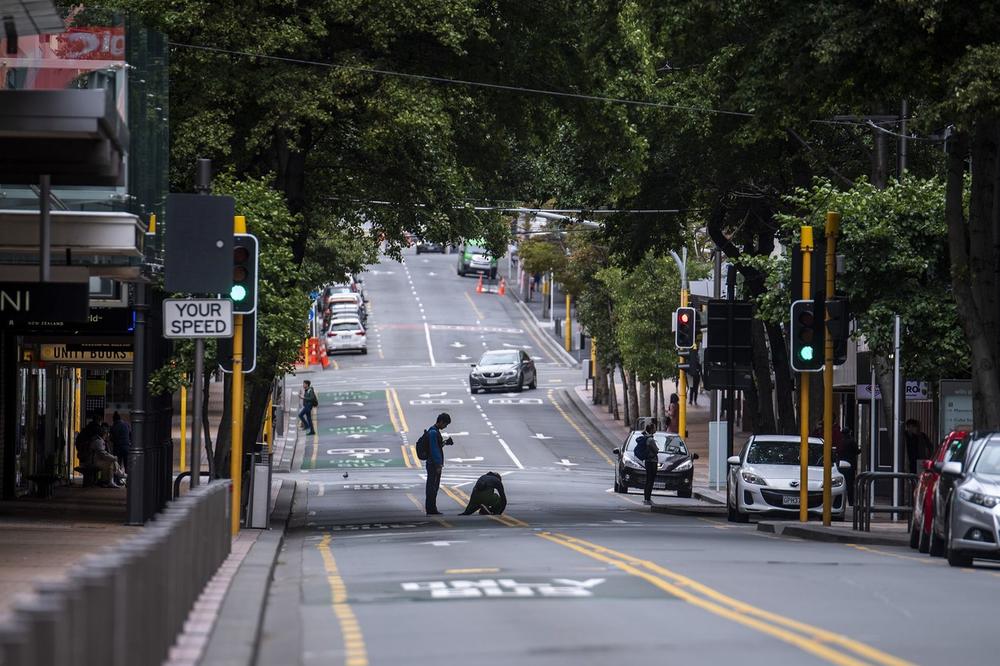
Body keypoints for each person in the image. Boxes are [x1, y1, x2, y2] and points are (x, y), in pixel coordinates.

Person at [424, 413, 453, 515]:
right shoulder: (433, 432)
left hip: (432, 463)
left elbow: (437, 446)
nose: (445, 426)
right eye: (445, 424)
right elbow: (434, 449)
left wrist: (445, 442)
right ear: (440, 421)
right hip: (433, 464)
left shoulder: (434, 431)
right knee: (432, 486)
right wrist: (438, 465)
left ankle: (432, 508)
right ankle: (431, 508)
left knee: (433, 486)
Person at [635, 423, 660, 505]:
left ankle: (647, 498)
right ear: (652, 429)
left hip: (648, 461)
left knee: (649, 480)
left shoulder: (647, 438)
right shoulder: (650, 440)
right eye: (655, 428)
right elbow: (656, 450)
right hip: (652, 462)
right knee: (650, 480)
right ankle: (647, 498)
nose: (656, 429)